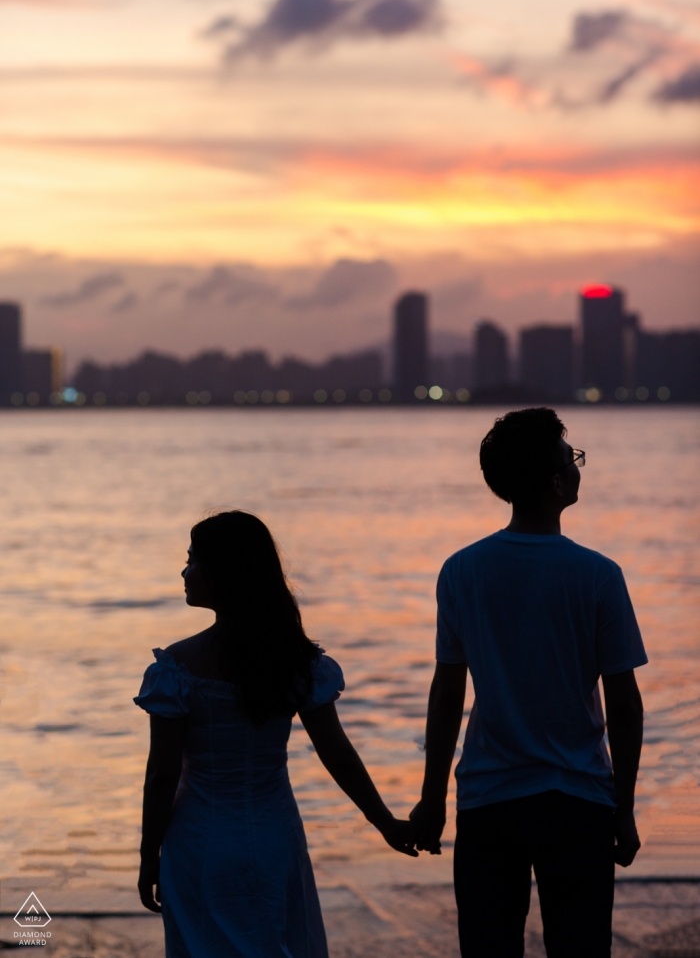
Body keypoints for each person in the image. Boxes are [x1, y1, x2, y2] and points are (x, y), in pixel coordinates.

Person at [410, 407, 647, 958]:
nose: (577, 465)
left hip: (489, 797)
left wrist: (431, 799)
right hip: (578, 797)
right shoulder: (597, 575)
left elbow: (448, 693)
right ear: (557, 482)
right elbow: (625, 703)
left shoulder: (463, 570)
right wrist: (625, 806)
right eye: (572, 457)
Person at [135, 510, 416, 957]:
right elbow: (337, 754)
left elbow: (161, 775)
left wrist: (149, 855)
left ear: (225, 572)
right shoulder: (296, 661)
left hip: (198, 841)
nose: (185, 571)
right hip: (274, 836)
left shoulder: (177, 667)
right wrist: (383, 822)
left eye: (193, 560)